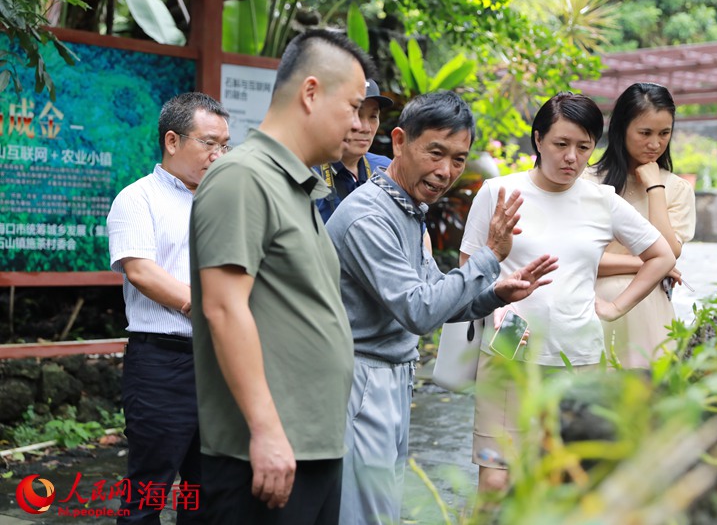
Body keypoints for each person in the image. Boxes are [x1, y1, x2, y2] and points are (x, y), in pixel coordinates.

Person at [325, 90, 559, 525]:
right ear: (398, 142)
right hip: (360, 380)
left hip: (391, 376)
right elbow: (419, 311)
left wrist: (496, 295)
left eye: (458, 158)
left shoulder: (407, 209)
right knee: (364, 513)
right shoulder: (368, 217)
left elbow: (435, 293)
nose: (446, 171)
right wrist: (489, 256)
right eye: (435, 152)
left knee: (382, 506)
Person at [189, 29, 374, 525]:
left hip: (311, 448)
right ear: (311, 93)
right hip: (265, 455)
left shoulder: (299, 187)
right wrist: (266, 430)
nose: (358, 124)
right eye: (353, 106)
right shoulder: (242, 178)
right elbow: (224, 307)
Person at [460, 92, 676, 494]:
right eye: (561, 144)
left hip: (578, 355)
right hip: (510, 348)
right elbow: (466, 271)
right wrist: (495, 295)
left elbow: (661, 255)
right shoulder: (497, 192)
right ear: (538, 140)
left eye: (583, 146)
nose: (571, 157)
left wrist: (614, 306)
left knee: (566, 482)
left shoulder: (601, 201)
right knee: (495, 479)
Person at [107, 91, 230, 524]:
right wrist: (205, 306)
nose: (218, 155)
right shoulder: (137, 199)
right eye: (208, 143)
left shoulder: (224, 201)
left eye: (224, 145)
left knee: (206, 489)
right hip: (163, 361)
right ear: (173, 141)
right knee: (148, 489)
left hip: (219, 363)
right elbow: (140, 270)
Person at [586, 82, 696, 368]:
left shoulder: (677, 189)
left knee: (647, 402)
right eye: (645, 133)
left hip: (649, 311)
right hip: (592, 306)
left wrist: (655, 187)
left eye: (664, 133)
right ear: (622, 129)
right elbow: (584, 258)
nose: (655, 144)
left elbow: (670, 252)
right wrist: (649, 264)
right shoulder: (588, 183)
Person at [315, 78, 393, 223]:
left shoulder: (387, 170)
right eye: (356, 114)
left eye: (373, 116)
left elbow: (418, 231)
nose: (366, 128)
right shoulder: (308, 174)